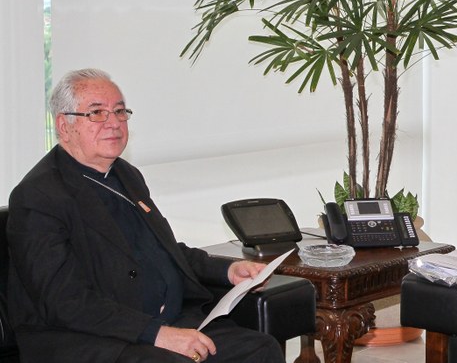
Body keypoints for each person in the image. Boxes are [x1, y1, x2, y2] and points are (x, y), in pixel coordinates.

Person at [7, 69, 285, 363]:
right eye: (97, 113)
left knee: (259, 349)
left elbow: (163, 250)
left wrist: (227, 271)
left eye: (119, 111)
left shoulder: (126, 175)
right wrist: (157, 334)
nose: (113, 123)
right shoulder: (38, 196)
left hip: (163, 323)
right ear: (64, 125)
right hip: (91, 337)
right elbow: (64, 302)